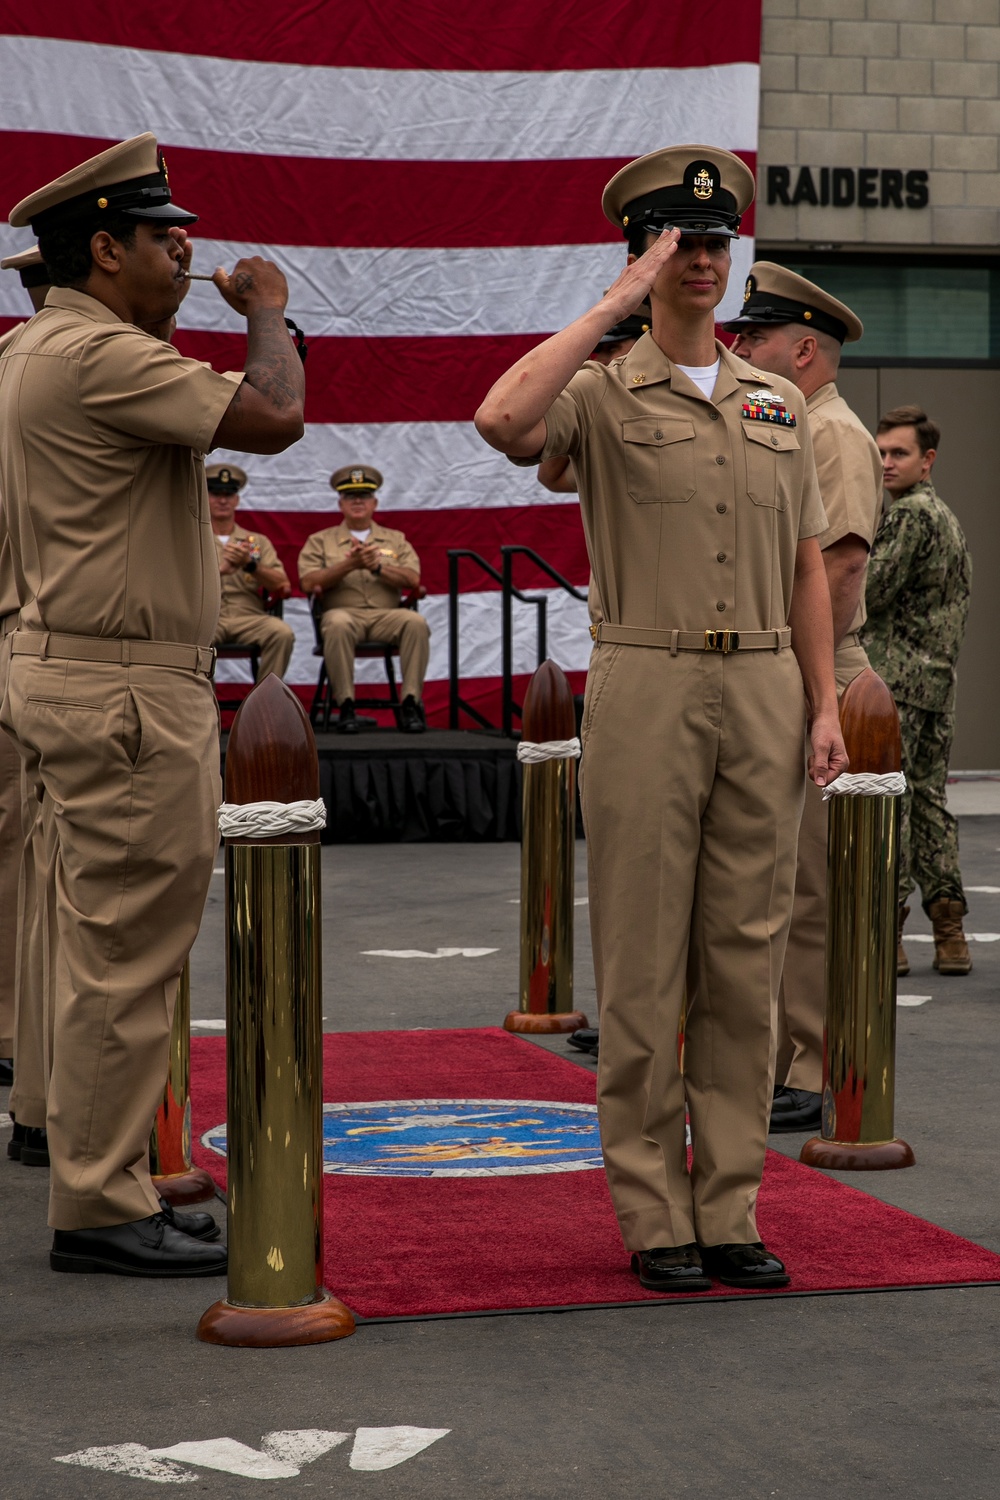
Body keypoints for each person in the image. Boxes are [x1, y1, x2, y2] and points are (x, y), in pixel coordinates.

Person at [475, 145, 846, 1293]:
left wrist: (824, 704)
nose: (702, 258)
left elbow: (802, 573)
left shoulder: (776, 402)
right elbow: (500, 420)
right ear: (644, 252)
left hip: (762, 687)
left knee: (743, 958)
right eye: (679, 242)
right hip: (648, 679)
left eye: (715, 241)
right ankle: (652, 1213)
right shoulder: (599, 387)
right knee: (643, 963)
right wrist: (615, 304)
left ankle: (727, 1204)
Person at [0, 131, 305, 1276]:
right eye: (160, 234)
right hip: (123, 684)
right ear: (101, 248)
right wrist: (266, 309)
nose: (186, 249)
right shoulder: (94, 356)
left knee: (97, 942)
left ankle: (100, 1172)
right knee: (128, 949)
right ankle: (98, 1203)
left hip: (74, 666)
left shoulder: (50, 345)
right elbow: (274, 415)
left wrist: (184, 312)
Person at [726, 263, 883, 1134]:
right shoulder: (786, 422)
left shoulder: (831, 433)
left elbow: (840, 569)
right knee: (780, 881)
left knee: (813, 888)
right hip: (788, 663)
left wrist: (806, 685)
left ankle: (814, 1062)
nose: (740, 348)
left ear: (806, 349)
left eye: (755, 338)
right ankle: (787, 1051)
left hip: (816, 668)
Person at [862, 407, 973, 977]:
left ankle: (889, 935)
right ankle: (950, 932)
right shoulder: (948, 519)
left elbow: (869, 594)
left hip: (894, 686)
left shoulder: (906, 517)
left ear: (927, 460)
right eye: (880, 451)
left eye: (898, 453)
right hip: (937, 686)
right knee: (929, 803)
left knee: (891, 807)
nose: (885, 462)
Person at [298, 466, 430, 734]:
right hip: (344, 614)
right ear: (340, 504)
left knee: (415, 622)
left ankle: (411, 702)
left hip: (386, 616)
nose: (357, 501)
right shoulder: (320, 541)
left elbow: (413, 579)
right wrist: (349, 565)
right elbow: (308, 582)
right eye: (350, 497)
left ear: (374, 503)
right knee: (336, 623)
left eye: (364, 496)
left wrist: (378, 567)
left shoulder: (395, 539)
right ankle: (346, 704)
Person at [208, 463, 295, 681]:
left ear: (237, 500)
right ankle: (203, 708)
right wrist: (220, 571)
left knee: (281, 633)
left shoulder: (257, 542)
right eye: (216, 493)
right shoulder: (190, 539)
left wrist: (250, 564)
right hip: (207, 618)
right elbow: (177, 586)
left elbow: (281, 583)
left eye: (229, 494)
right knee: (189, 640)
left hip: (248, 616)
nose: (222, 500)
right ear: (204, 497)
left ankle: (263, 703)